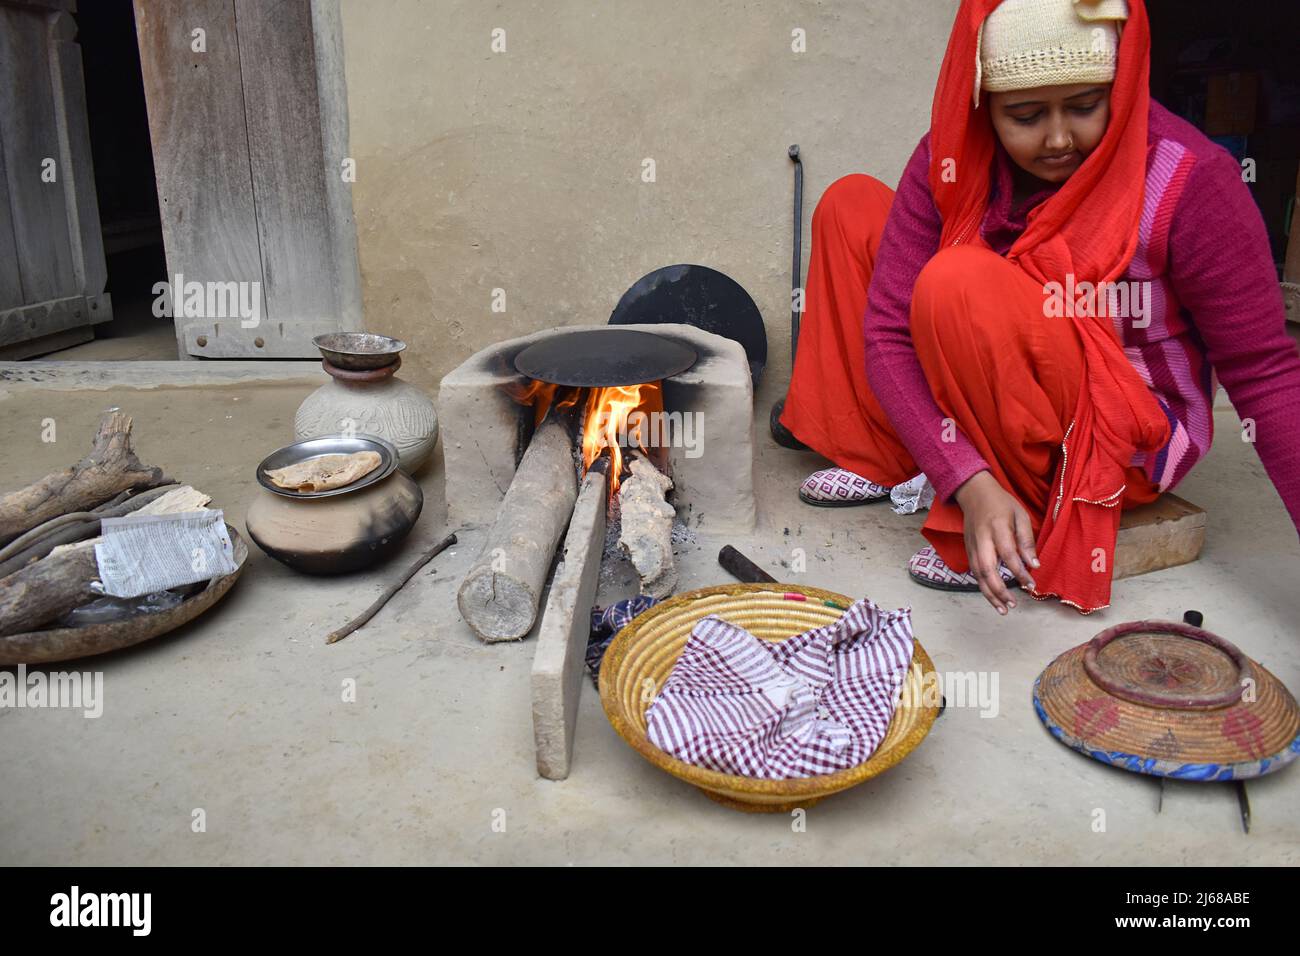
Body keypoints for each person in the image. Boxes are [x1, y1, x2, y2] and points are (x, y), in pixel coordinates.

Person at [780, 0, 1300, 615]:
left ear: (1121, 85)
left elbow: (1264, 371)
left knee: (958, 282)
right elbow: (890, 332)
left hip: (1113, 430)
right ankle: (892, 456)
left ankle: (1019, 503)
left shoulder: (1189, 179)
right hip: (999, 353)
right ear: (981, 104)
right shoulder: (951, 157)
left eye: (1084, 106)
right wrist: (964, 479)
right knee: (852, 206)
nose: (1058, 139)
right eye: (1024, 115)